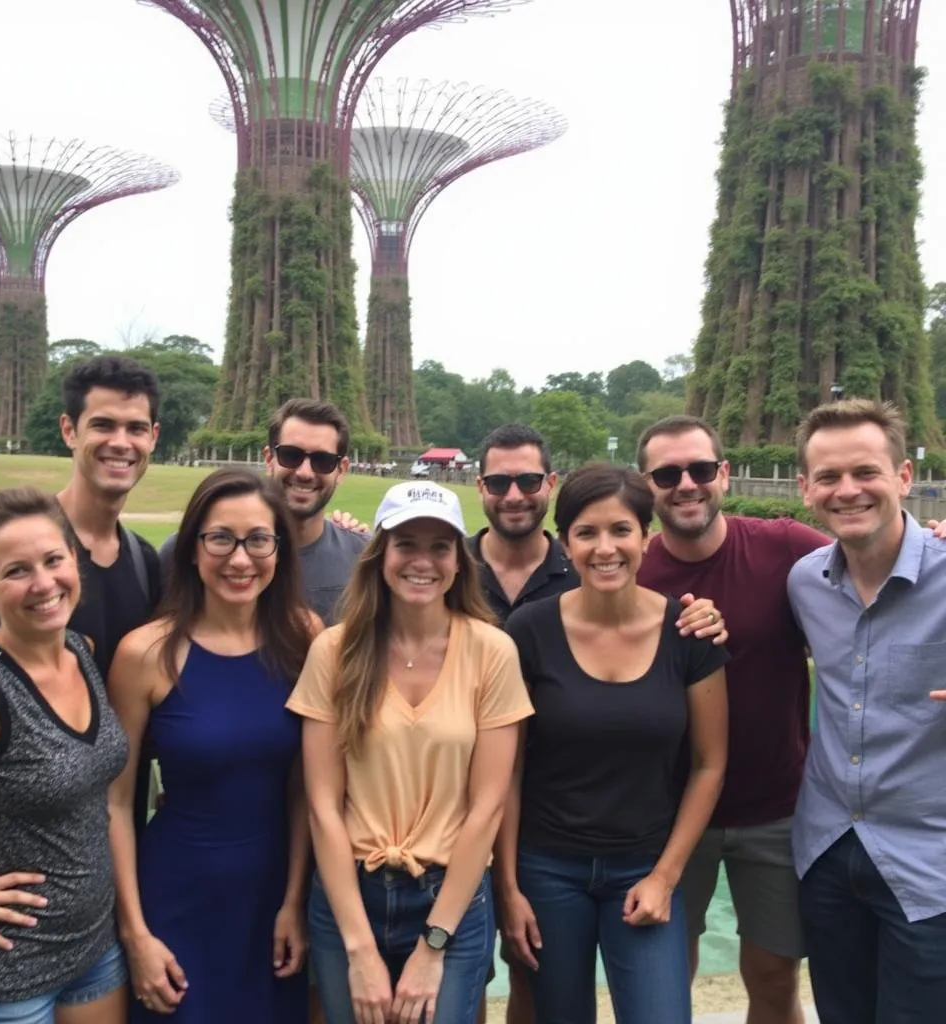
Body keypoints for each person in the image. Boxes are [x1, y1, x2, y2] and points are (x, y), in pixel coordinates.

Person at [0, 355, 163, 994]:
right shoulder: (3, 547)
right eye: (102, 424)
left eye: (136, 428)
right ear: (68, 430)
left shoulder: (141, 561)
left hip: (89, 890)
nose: (120, 442)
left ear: (154, 439)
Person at [473, 424, 726, 1024]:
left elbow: (710, 763)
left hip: (643, 863)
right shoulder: (529, 632)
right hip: (548, 866)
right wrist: (508, 889)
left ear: (646, 535)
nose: (604, 548)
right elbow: (507, 769)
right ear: (566, 541)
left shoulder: (687, 632)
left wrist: (666, 877)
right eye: (586, 533)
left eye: (621, 530)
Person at [288, 481, 534, 1024]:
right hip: (350, 891)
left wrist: (433, 946)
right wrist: (358, 950)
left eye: (439, 547)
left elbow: (486, 807)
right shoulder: (336, 650)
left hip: (450, 894)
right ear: (380, 554)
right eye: (406, 544)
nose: (422, 561)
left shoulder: (492, 652)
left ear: (457, 563)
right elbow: (323, 805)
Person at [635, 414, 830, 1024]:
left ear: (722, 473)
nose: (685, 484)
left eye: (698, 469)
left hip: (777, 806)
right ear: (648, 487)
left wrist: (931, 539)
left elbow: (879, 568)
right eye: (667, 473)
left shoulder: (786, 548)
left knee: (774, 977)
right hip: (667, 813)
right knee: (664, 974)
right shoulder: (629, 570)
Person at [107, 468, 318, 1022]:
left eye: (259, 539)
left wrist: (295, 900)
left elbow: (306, 789)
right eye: (220, 538)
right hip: (177, 897)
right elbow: (113, 801)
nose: (240, 559)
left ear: (280, 548)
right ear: (193, 548)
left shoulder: (305, 640)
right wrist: (135, 933)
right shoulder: (145, 654)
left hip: (273, 902)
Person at [0, 487, 129, 1023]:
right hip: (2, 979)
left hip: (94, 955)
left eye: (53, 560)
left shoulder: (80, 653)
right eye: (16, 571)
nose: (43, 583)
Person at [788, 399, 946, 1023]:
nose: (847, 490)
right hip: (827, 848)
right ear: (805, 489)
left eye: (866, 472)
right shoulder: (805, 582)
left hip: (928, 862)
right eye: (828, 477)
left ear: (904, 477)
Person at [159, 398, 368, 625]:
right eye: (291, 455)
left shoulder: (364, 556)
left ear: (342, 469)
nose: (305, 472)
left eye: (322, 460)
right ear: (270, 458)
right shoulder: (189, 551)